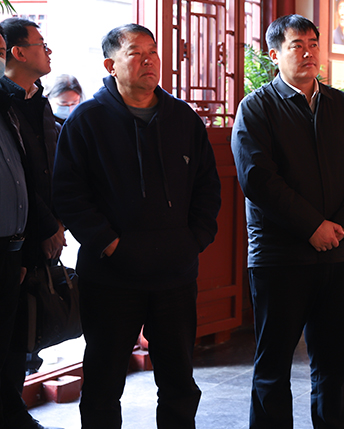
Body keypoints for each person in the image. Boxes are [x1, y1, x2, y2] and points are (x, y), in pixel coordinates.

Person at [52, 23, 222, 429]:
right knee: (104, 381)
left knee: (178, 380)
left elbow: (207, 186)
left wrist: (194, 240)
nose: (149, 60)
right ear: (110, 65)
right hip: (111, 275)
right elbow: (69, 195)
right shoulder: (87, 120)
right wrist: (110, 244)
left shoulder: (182, 118)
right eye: (136, 53)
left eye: (153, 52)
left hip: (175, 274)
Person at [231, 14, 344, 429]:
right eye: (297, 45)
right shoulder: (256, 108)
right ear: (275, 55)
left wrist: (340, 227)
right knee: (273, 364)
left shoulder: (341, 105)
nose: (309, 52)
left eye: (313, 43)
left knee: (333, 362)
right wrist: (313, 227)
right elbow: (258, 180)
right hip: (280, 255)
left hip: (336, 253)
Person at [0, 18, 64, 429]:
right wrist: (44, 227)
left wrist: (58, 222)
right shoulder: (6, 102)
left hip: (39, 228)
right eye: (41, 44)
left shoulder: (39, 99)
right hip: (18, 234)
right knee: (8, 334)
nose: (48, 50)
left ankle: (14, 410)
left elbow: (47, 169)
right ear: (18, 52)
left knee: (24, 329)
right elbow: (19, 171)